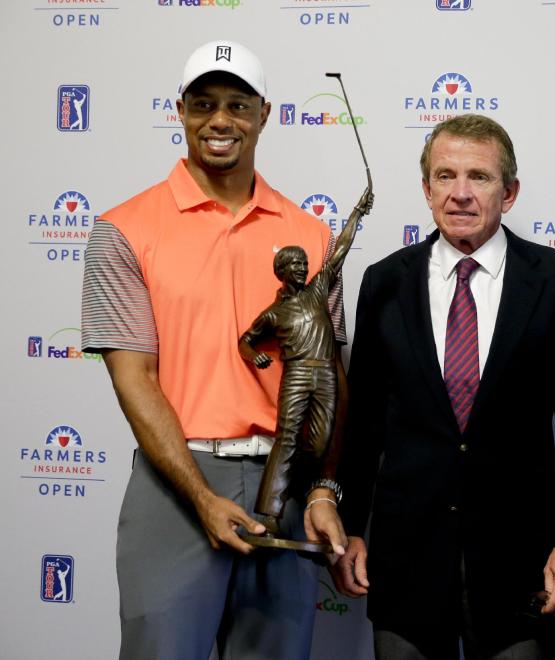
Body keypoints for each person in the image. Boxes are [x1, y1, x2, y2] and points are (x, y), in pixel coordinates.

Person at [80, 40, 349, 660]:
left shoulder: (308, 233)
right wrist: (201, 497)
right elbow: (134, 380)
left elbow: (331, 376)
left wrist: (320, 490)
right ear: (180, 111)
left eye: (236, 104)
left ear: (265, 113)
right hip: (175, 483)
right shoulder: (124, 228)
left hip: (281, 487)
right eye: (203, 104)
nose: (219, 120)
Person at [332, 114, 555, 660]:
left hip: (521, 561)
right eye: (445, 175)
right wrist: (350, 528)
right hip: (404, 560)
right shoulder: (384, 282)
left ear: (509, 193)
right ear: (426, 188)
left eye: (478, 177)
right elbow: (363, 424)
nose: (460, 193)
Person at [239, 184, 370, 533]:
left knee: (319, 443)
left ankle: (299, 492)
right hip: (296, 375)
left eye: (303, 262)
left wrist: (357, 212)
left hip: (325, 374)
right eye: (294, 263)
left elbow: (339, 252)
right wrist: (254, 356)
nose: (301, 267)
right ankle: (269, 512)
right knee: (287, 437)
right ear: (281, 270)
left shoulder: (317, 290)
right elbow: (246, 340)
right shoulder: (274, 312)